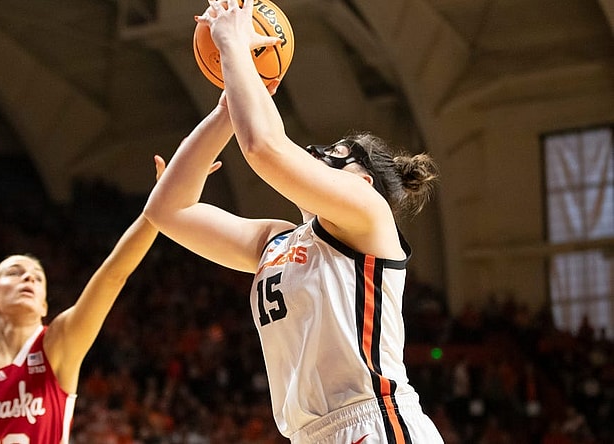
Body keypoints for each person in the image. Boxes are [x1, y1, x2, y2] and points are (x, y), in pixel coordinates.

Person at [143, 1, 444, 442]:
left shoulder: (368, 214)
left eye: (337, 153)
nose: (318, 153)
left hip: (376, 422)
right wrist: (229, 107)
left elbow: (265, 148)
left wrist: (232, 43)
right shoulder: (277, 241)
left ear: (364, 178)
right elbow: (167, 211)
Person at [0, 157, 219, 444]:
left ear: (45, 307)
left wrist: (157, 211)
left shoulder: (57, 343)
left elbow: (113, 275)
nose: (28, 278)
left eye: (37, 277)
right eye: (16, 272)